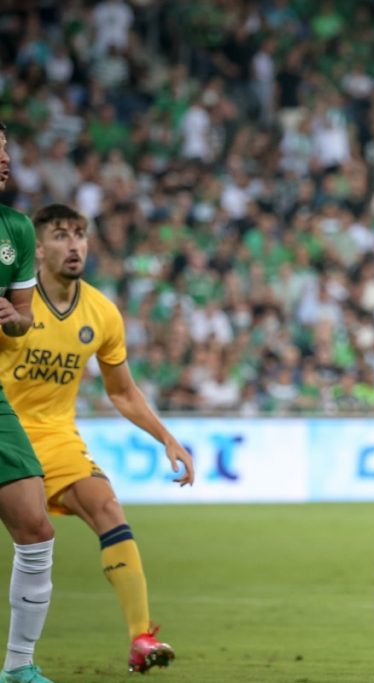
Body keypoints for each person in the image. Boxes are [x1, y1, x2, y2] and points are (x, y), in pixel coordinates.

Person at [0, 204, 195, 674]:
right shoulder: (14, 301)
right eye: (61, 235)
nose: (74, 245)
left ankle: (141, 637)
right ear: (36, 248)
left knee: (107, 507)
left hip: (56, 437)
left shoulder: (102, 312)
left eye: (80, 235)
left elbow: (122, 392)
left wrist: (166, 437)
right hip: (7, 428)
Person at [0, 122, 56, 683]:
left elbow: (23, 321)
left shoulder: (14, 228)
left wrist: (13, 319)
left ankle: (18, 668)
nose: (5, 160)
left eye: (5, 150)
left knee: (36, 527)